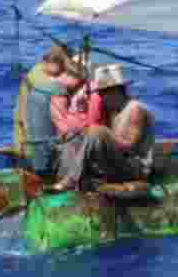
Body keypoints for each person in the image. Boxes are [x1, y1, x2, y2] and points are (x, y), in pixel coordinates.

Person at [53, 64, 155, 192]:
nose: (101, 98)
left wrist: (104, 134)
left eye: (103, 93)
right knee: (74, 134)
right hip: (117, 163)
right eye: (100, 93)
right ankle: (63, 180)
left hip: (135, 168)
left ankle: (71, 180)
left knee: (97, 130)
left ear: (116, 90)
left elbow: (130, 146)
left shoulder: (135, 109)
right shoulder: (114, 111)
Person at [13, 45, 80, 174]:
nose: (61, 74)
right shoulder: (40, 78)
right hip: (31, 146)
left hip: (30, 140)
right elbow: (57, 89)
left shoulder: (39, 72)